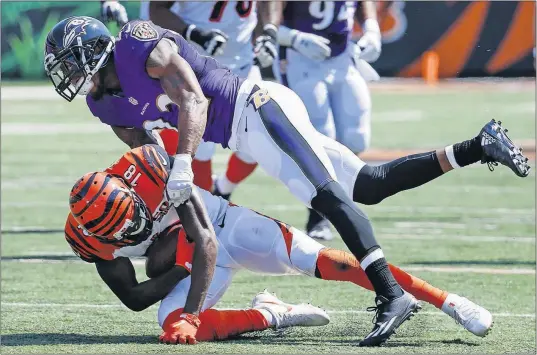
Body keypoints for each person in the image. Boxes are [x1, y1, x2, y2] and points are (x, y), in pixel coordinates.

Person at [45, 16, 528, 346]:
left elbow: (193, 102)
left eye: (68, 61)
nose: (66, 74)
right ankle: (477, 147)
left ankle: (391, 294)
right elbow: (147, 147)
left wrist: (185, 163)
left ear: (91, 50)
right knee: (367, 185)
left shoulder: (138, 45)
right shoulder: (103, 103)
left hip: (255, 110)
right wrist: (167, 174)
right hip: (242, 135)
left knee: (331, 200)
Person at [65, 144, 493, 344]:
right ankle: (270, 315)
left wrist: (191, 307)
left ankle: (449, 301)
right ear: (98, 237)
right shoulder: (89, 243)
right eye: (126, 236)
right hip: (189, 257)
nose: (139, 232)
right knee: (166, 320)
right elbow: (135, 297)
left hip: (222, 226)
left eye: (140, 219)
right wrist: (178, 266)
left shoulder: (150, 166)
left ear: (133, 191)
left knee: (324, 260)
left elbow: (206, 239)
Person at [100, 0, 267, 198]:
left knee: (261, 140)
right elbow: (157, 9)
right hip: (196, 67)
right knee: (197, 149)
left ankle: (223, 191)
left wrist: (270, 32)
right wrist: (193, 32)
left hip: (243, 64)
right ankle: (206, 207)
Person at [273, 1, 381, 241]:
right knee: (320, 137)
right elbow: (266, 21)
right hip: (301, 59)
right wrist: (294, 38)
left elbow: (363, 4)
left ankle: (337, 200)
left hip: (342, 57)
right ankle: (320, 214)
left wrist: (372, 28)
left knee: (357, 138)